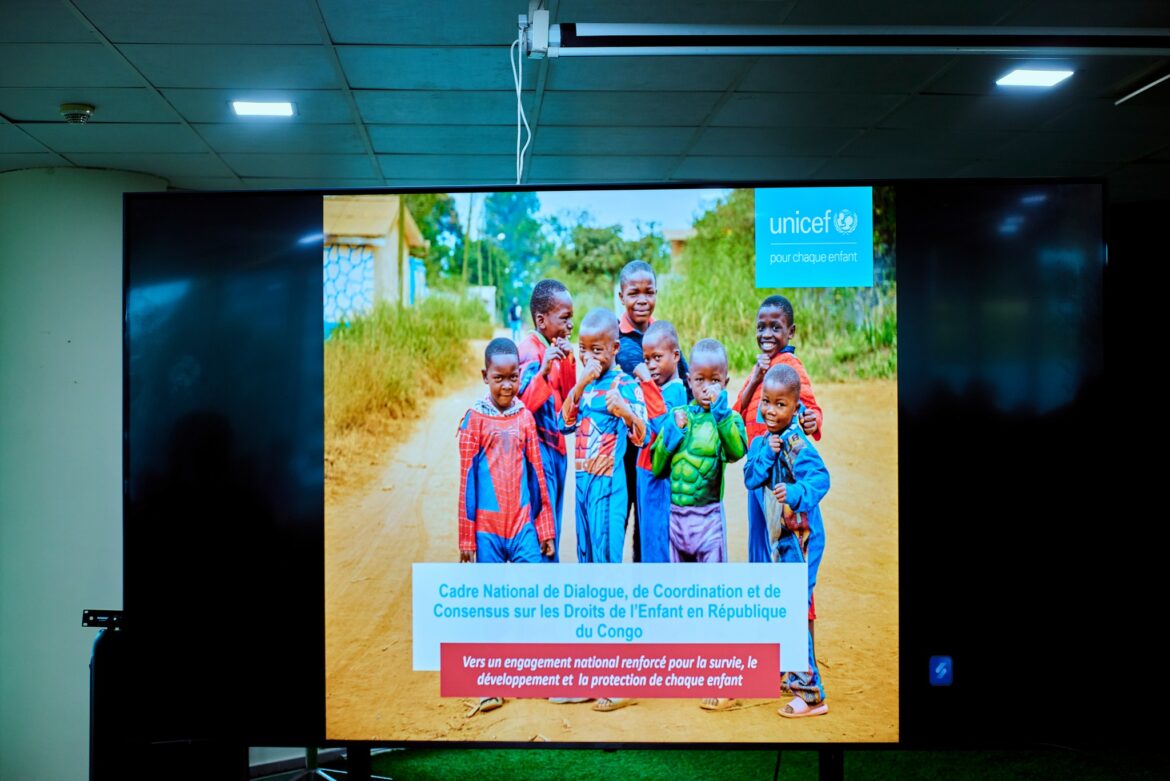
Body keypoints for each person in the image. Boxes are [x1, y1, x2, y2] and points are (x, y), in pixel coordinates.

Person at [457, 337, 557, 715]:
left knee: (535, 599)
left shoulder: (525, 418)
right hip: (486, 531)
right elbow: (466, 480)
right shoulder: (474, 420)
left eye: (513, 378)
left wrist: (544, 527)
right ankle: (489, 686)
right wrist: (467, 537)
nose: (506, 386)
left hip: (522, 527)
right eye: (498, 378)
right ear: (485, 376)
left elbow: (538, 476)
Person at [560, 309, 648, 713]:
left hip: (610, 490)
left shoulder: (626, 384)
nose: (590, 357)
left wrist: (625, 410)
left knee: (609, 577)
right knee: (587, 574)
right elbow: (564, 418)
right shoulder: (586, 384)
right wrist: (582, 379)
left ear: (615, 348)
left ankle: (622, 678)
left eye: (598, 350)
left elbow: (643, 433)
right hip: (582, 488)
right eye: (583, 350)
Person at [738, 363, 830, 718]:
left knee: (793, 609)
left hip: (802, 540)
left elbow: (821, 478)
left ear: (795, 408)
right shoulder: (765, 441)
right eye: (766, 402)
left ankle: (811, 695)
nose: (771, 411)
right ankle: (793, 675)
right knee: (787, 606)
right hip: (781, 540)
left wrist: (794, 491)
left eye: (780, 405)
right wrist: (765, 452)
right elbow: (750, 477)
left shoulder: (795, 442)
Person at [733, 295, 823, 563]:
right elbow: (737, 411)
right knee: (760, 540)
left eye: (776, 327)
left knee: (787, 540)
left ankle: (796, 601)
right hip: (758, 465)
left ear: (791, 332)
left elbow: (811, 408)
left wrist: (813, 421)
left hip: (782, 473)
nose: (767, 334)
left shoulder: (791, 367)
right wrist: (756, 378)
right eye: (761, 327)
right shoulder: (759, 367)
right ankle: (766, 600)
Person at [614, 260, 690, 563]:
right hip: (624, 452)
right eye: (634, 293)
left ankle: (644, 587)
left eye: (649, 292)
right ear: (621, 296)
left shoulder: (662, 336)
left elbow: (684, 379)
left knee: (649, 527)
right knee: (619, 518)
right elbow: (646, 376)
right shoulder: (616, 340)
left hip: (656, 451)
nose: (642, 300)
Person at [651, 339, 746, 564]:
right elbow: (657, 469)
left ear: (725, 382)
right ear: (689, 380)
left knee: (710, 585)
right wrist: (674, 432)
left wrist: (721, 414)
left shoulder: (729, 419)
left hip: (709, 518)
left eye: (715, 380)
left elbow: (736, 452)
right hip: (676, 518)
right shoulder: (676, 416)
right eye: (699, 379)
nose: (706, 387)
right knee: (681, 585)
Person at [516, 280, 575, 562]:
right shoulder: (529, 351)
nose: (570, 325)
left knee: (554, 524)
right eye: (564, 318)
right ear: (541, 320)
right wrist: (545, 368)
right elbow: (522, 406)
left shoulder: (553, 348)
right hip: (537, 453)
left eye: (571, 318)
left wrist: (569, 359)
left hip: (556, 449)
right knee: (542, 529)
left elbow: (567, 402)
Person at [634, 321, 688, 563]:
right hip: (644, 473)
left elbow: (664, 429)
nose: (651, 365)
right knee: (647, 537)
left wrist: (646, 384)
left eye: (657, 357)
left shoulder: (676, 391)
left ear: (676, 356)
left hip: (659, 477)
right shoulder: (660, 387)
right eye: (646, 359)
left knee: (657, 542)